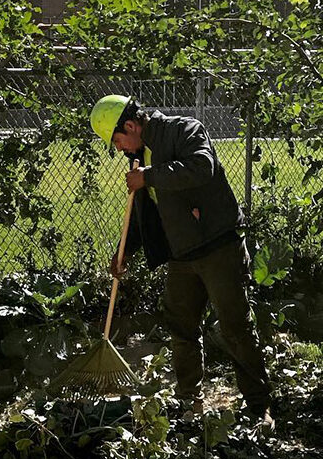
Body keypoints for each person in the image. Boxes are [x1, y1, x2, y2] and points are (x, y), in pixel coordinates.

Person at [90, 94, 273, 418]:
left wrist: (149, 175)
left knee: (235, 327)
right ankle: (190, 401)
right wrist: (124, 253)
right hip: (181, 255)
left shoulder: (184, 130)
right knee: (182, 327)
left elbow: (203, 167)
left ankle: (260, 406)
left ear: (130, 126)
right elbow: (145, 211)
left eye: (117, 140)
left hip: (218, 246)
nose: (119, 148)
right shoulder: (137, 157)